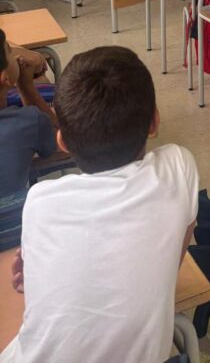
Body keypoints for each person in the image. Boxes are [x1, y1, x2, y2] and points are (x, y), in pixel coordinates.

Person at [1, 46, 198, 363]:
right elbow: (173, 254)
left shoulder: (40, 201)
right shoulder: (179, 167)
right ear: (155, 122)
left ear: (63, 142)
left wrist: (43, 273)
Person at [0, 32, 57, 251]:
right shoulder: (30, 120)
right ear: (6, 78)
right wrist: (26, 86)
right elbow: (55, 140)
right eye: (10, 53)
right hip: (18, 240)